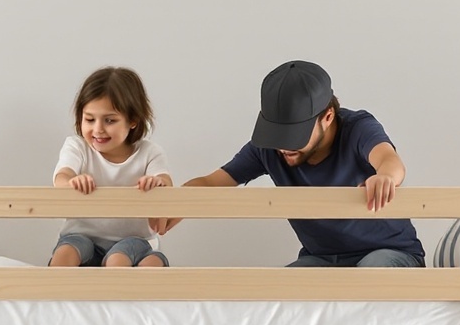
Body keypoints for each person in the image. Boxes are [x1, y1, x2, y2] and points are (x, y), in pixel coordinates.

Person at [178, 58, 423, 268]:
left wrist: (385, 177)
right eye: (278, 135)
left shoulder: (358, 128)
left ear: (327, 117)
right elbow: (213, 181)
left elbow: (389, 160)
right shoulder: (269, 148)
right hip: (322, 259)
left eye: (295, 137)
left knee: (371, 274)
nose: (284, 146)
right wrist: (174, 202)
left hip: (388, 253)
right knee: (280, 293)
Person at [50, 66, 173, 271]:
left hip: (132, 240)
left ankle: (123, 291)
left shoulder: (150, 153)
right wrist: (72, 182)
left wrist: (158, 184)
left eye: (110, 120)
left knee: (119, 259)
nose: (98, 129)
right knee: (66, 252)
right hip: (80, 236)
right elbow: (62, 177)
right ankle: (54, 293)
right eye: (89, 119)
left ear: (133, 120)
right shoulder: (77, 147)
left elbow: (165, 183)